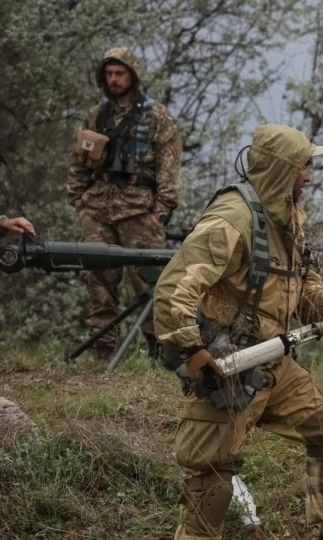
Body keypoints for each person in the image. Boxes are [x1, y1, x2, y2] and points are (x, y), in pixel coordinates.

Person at [153, 124, 323, 540]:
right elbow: (173, 289)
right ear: (282, 170)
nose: (310, 176)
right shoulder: (231, 219)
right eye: (304, 167)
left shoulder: (286, 214)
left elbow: (301, 281)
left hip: (274, 362)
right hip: (229, 369)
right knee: (210, 479)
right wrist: (195, 353)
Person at [66, 46, 182, 361]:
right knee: (98, 280)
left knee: (151, 283)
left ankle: (160, 353)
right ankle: (102, 351)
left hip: (140, 210)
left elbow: (169, 165)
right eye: (109, 74)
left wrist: (162, 210)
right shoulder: (96, 115)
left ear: (132, 75)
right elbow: (80, 161)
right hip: (98, 209)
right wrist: (79, 202)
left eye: (120, 73)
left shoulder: (156, 115)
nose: (114, 79)